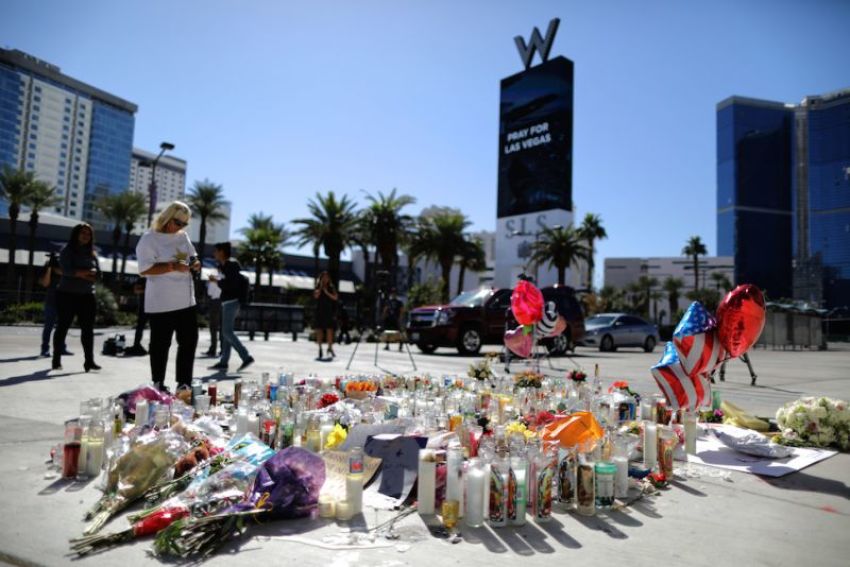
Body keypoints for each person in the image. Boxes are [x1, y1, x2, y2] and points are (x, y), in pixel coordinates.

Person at [136, 201, 201, 392]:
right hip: (161, 302)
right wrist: (172, 266)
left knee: (189, 342)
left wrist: (194, 263)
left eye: (184, 224)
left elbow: (190, 256)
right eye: (178, 223)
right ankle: (158, 383)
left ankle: (184, 383)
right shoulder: (149, 239)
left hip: (186, 300)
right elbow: (145, 269)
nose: (180, 227)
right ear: (166, 218)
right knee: (160, 345)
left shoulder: (182, 238)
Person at [52, 223, 100, 372]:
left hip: (87, 295)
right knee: (62, 327)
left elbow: (98, 275)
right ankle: (56, 360)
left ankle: (89, 361)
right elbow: (66, 271)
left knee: (88, 330)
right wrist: (86, 273)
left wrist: (82, 274)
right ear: (76, 234)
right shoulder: (67, 250)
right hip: (67, 294)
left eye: (88, 233)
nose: (86, 236)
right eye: (83, 233)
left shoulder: (92, 253)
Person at [209, 242, 254, 371]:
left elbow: (231, 285)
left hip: (232, 301)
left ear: (222, 252)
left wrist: (217, 281)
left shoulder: (232, 265)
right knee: (226, 333)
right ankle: (224, 361)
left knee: (227, 332)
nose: (214, 254)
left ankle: (246, 356)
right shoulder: (223, 266)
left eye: (216, 251)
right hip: (227, 302)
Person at [39, 252, 71, 357]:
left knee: (62, 328)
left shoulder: (66, 268)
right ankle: (44, 349)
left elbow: (67, 275)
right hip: (51, 302)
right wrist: (49, 267)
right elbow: (45, 283)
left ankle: (61, 348)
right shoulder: (48, 268)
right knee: (48, 327)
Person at [313, 271, 338, 359]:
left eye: (326, 277)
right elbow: (316, 296)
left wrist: (326, 292)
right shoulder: (317, 286)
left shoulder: (331, 287)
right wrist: (320, 288)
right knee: (319, 330)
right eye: (323, 277)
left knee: (329, 330)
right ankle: (320, 348)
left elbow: (335, 297)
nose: (325, 279)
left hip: (329, 311)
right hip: (320, 311)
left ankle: (330, 347)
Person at [124, 277, 148, 356]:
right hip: (144, 307)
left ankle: (153, 347)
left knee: (156, 328)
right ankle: (136, 344)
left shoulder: (159, 278)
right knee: (140, 327)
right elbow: (136, 290)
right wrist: (148, 291)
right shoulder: (142, 278)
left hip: (156, 307)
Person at [204, 272, 222, 357]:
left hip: (215, 302)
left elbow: (210, 293)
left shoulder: (214, 280)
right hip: (223, 302)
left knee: (213, 327)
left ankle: (213, 348)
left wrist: (210, 282)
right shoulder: (224, 278)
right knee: (223, 328)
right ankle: (223, 349)